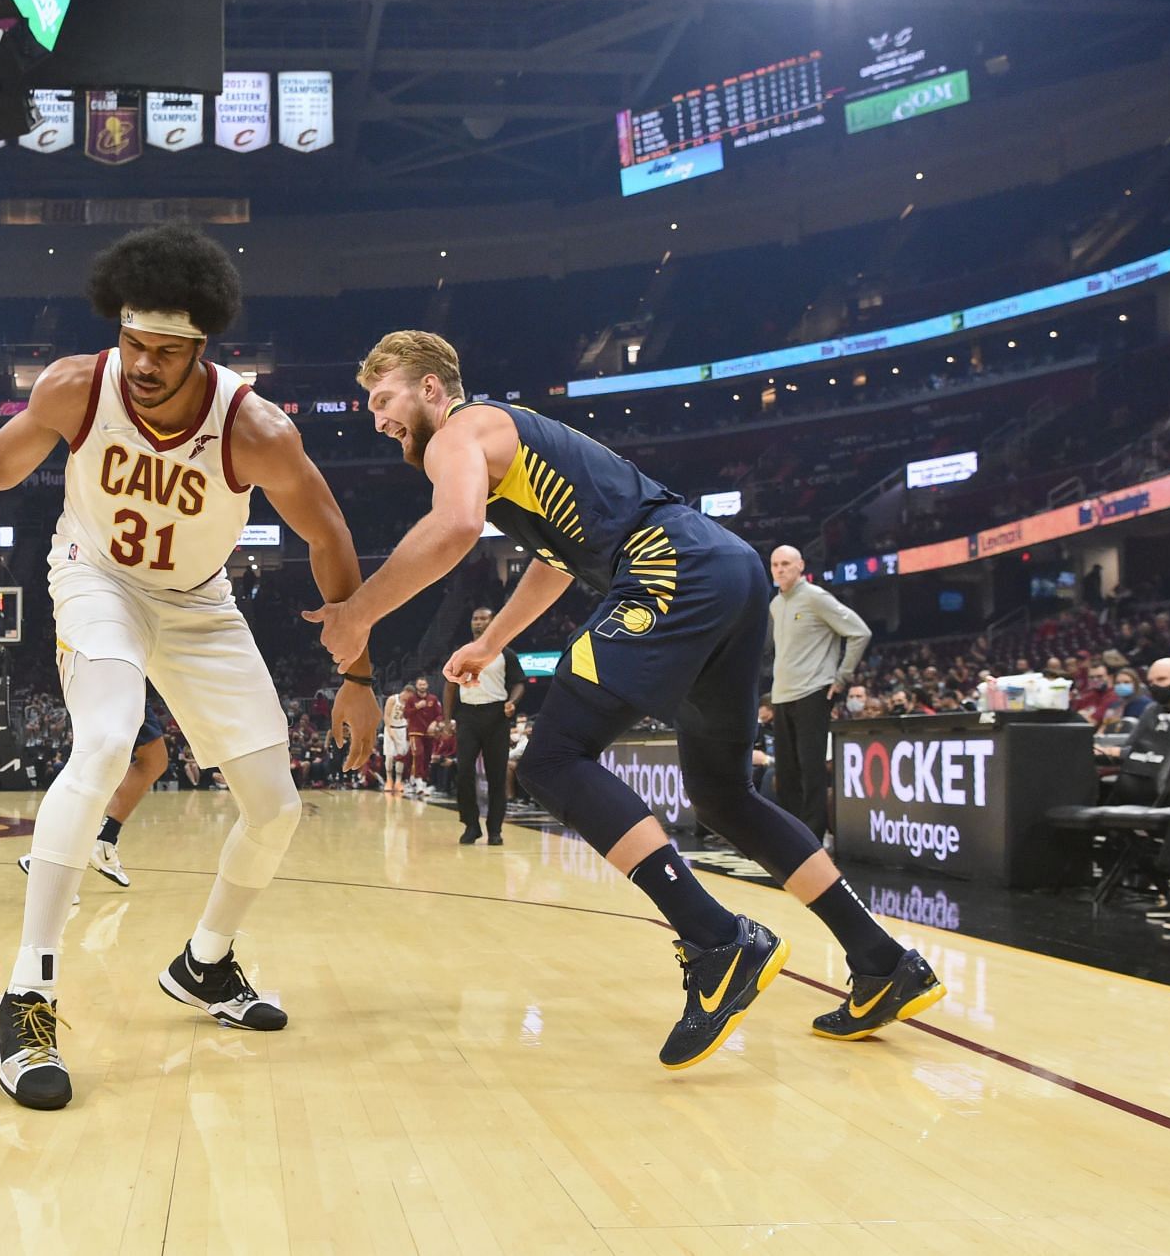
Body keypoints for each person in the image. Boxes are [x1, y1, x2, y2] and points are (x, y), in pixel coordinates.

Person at [0, 225, 379, 1110]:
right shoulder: (78, 386)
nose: (146, 364)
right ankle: (28, 994)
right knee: (108, 741)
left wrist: (359, 675)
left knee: (277, 807)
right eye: (134, 344)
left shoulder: (256, 430)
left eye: (166, 351)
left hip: (198, 599)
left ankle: (205, 963)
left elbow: (329, 535)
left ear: (204, 349)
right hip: (97, 578)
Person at [311, 331, 940, 1070]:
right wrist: (491, 642)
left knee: (549, 759)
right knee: (723, 794)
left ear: (429, 388)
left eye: (383, 400)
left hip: (670, 568)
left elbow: (452, 527)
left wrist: (359, 613)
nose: (377, 420)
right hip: (727, 568)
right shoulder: (518, 451)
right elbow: (552, 563)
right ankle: (882, 959)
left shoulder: (460, 428)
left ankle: (718, 941)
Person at [766, 546, 869, 845]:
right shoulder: (775, 604)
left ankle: (812, 837)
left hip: (813, 692)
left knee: (811, 768)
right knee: (786, 771)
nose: (779, 569)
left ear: (800, 566)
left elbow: (859, 632)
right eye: (774, 564)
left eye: (785, 563)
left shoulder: (815, 597)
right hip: (782, 694)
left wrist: (842, 676)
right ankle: (790, 835)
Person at [20, 702, 168, 888]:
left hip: (128, 680)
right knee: (94, 762)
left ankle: (105, 839)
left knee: (154, 759)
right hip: (111, 679)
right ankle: (45, 859)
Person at [443, 606, 525, 845]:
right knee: (464, 772)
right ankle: (471, 825)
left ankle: (495, 830)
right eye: (475, 618)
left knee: (497, 776)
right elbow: (450, 687)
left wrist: (513, 701)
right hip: (468, 716)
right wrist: (448, 720)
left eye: (483, 619)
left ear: (492, 622)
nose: (478, 622)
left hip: (496, 715)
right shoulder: (462, 653)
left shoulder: (505, 653)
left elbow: (519, 683)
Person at [403, 675, 442, 794]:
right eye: (420, 684)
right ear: (416, 686)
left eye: (424, 684)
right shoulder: (411, 700)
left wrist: (435, 723)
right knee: (418, 754)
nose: (422, 686)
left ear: (427, 685)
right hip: (415, 731)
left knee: (427, 757)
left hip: (429, 732)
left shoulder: (433, 699)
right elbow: (405, 714)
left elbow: (440, 714)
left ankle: (422, 781)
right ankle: (417, 780)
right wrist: (416, 707)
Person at [381, 683, 410, 793]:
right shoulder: (393, 699)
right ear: (406, 692)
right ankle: (389, 780)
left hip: (402, 729)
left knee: (400, 756)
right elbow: (386, 716)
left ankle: (398, 781)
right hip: (391, 728)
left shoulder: (409, 703)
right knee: (389, 756)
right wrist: (390, 731)